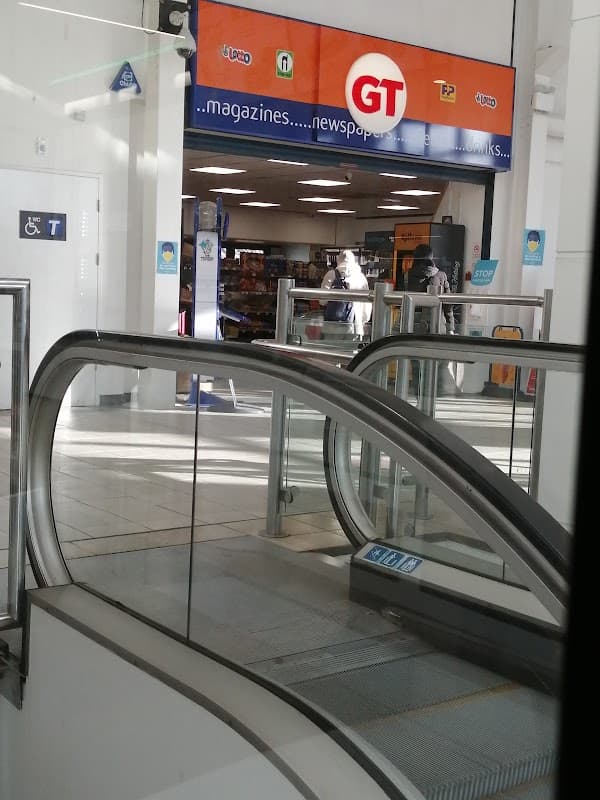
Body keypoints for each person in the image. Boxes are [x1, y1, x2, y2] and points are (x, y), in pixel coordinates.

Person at [321, 249, 371, 340]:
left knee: (331, 352)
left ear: (339, 260)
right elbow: (367, 304)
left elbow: (322, 301)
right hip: (355, 325)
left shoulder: (331, 275)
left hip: (333, 325)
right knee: (352, 353)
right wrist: (363, 321)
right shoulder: (360, 277)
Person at [405, 243, 455, 333]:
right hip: (437, 322)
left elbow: (401, 302)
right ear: (431, 257)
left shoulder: (407, 276)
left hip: (411, 323)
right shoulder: (441, 276)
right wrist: (450, 327)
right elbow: (448, 304)